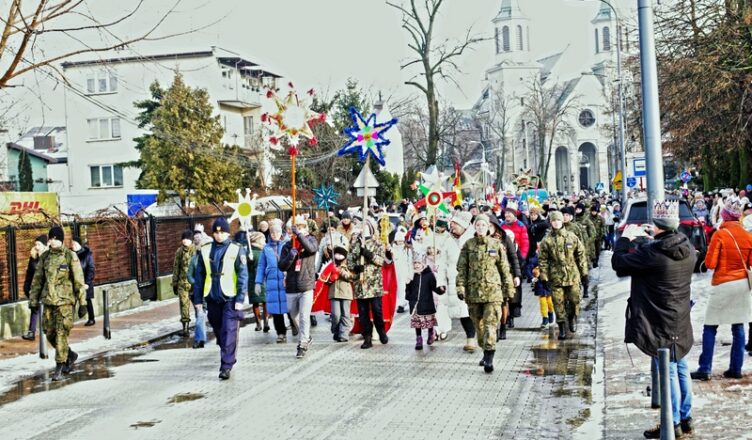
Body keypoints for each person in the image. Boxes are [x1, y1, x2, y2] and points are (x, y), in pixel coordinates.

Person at [611, 200, 696, 439]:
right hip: (679, 317)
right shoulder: (686, 246)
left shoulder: (651, 253)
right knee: (680, 367)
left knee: (668, 369)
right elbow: (664, 252)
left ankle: (672, 423)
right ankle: (686, 418)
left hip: (658, 320)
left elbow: (618, 263)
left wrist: (626, 238)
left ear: (657, 225)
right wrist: (655, 238)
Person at [691, 197, 752, 380]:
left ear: (724, 216)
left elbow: (709, 263)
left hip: (723, 283)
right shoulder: (748, 236)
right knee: (738, 327)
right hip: (742, 284)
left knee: (710, 326)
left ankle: (705, 368)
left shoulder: (719, 235)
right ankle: (736, 368)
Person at [456, 214, 515, 373]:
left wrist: (509, 289)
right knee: (479, 326)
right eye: (478, 225)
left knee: (490, 324)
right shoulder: (468, 246)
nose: (481, 228)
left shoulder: (496, 245)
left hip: (493, 293)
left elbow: (504, 269)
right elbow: (461, 269)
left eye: (484, 225)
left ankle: (489, 357)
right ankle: (484, 349)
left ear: (488, 227)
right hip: (474, 293)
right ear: (474, 228)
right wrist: (460, 288)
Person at [192, 217, 249, 380]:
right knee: (219, 330)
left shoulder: (236, 249)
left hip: (230, 298)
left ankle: (226, 365)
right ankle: (227, 351)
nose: (219, 236)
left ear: (227, 233)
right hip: (212, 296)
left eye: (222, 232)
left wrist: (240, 298)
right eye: (216, 233)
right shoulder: (204, 250)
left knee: (229, 330)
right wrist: (197, 300)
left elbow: (242, 275)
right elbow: (200, 276)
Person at [28, 226, 87, 381]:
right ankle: (70, 355)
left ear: (58, 239)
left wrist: (82, 303)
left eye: (53, 238)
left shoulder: (70, 256)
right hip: (48, 301)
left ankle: (59, 367)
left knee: (61, 334)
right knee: (50, 333)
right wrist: (33, 300)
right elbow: (37, 280)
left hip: (65, 303)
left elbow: (79, 281)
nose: (50, 240)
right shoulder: (45, 257)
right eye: (50, 238)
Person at [538, 210, 588, 340]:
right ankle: (561, 327)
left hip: (572, 275)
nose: (556, 223)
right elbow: (542, 260)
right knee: (558, 303)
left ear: (562, 221)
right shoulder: (547, 240)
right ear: (550, 222)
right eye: (554, 220)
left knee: (574, 300)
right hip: (556, 277)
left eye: (558, 220)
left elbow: (581, 255)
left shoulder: (571, 237)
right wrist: (544, 277)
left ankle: (572, 318)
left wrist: (584, 273)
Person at [278, 216, 318, 359]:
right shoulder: (287, 246)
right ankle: (306, 336)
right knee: (293, 315)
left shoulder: (311, 240)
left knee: (304, 316)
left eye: (300, 228)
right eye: (294, 229)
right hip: (291, 286)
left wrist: (300, 236)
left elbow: (311, 249)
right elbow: (281, 265)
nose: (295, 231)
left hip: (306, 284)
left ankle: (302, 345)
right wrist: (290, 256)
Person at [348, 218, 389, 349]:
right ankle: (367, 337)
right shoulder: (355, 244)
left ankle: (381, 330)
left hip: (374, 283)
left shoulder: (377, 243)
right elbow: (350, 262)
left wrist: (368, 254)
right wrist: (356, 268)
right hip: (361, 283)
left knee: (377, 310)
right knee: (363, 313)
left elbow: (380, 261)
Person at [255, 221, 289, 343]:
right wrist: (258, 282)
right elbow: (261, 266)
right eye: (272, 232)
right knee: (275, 309)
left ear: (281, 233)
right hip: (272, 282)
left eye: (277, 232)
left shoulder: (287, 245)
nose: (275, 234)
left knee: (290, 306)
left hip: (285, 280)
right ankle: (280, 333)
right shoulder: (266, 248)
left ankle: (294, 325)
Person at [448, 211, 477, 352]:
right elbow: (444, 259)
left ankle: (482, 335)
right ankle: (470, 338)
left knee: (474, 310)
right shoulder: (449, 239)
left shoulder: (473, 238)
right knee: (462, 311)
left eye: (455, 224)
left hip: (474, 280)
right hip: (456, 280)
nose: (452, 226)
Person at [406, 250, 445, 350]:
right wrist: (409, 295)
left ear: (423, 264)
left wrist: (440, 289)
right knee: (417, 323)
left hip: (427, 303)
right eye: (415, 263)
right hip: (415, 304)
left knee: (429, 322)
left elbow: (434, 287)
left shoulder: (428, 275)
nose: (417, 265)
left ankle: (431, 333)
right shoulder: (411, 275)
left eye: (419, 263)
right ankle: (419, 339)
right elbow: (408, 290)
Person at [321, 235, 354, 342]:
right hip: (334, 293)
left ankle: (344, 334)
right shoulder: (331, 265)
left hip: (346, 293)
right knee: (335, 315)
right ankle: (335, 330)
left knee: (345, 315)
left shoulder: (348, 266)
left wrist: (341, 272)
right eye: (337, 254)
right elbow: (324, 279)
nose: (339, 256)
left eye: (341, 254)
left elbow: (352, 277)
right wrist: (331, 278)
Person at [22, 235, 48, 340]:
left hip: (47, 288)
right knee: (34, 308)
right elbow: (29, 273)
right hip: (36, 288)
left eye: (39, 244)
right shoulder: (33, 257)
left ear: (44, 245)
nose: (36, 246)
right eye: (35, 244)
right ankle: (31, 332)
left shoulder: (49, 257)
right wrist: (26, 286)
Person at [172, 229, 195, 337]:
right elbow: (176, 268)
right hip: (182, 283)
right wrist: (175, 283)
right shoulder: (179, 251)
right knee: (184, 305)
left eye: (187, 238)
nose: (185, 241)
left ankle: (201, 324)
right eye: (183, 238)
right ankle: (185, 328)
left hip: (194, 282)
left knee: (198, 305)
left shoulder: (195, 250)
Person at [247, 231, 269, 332]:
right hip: (262, 280)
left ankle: (259, 323)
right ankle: (265, 322)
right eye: (262, 239)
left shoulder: (250, 252)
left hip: (253, 281)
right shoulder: (256, 252)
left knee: (256, 303)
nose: (264, 241)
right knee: (265, 302)